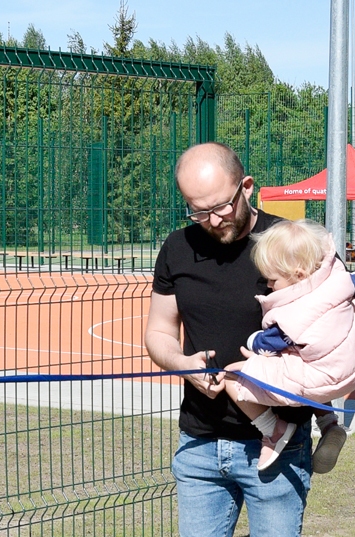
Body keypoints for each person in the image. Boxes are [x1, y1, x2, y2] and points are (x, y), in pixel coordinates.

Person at [144, 142, 314, 536]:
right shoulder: (177, 248)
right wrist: (181, 364)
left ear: (247, 187)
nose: (213, 220)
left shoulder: (290, 244)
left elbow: (336, 326)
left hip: (276, 446)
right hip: (199, 443)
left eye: (221, 206)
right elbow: (158, 332)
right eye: (197, 210)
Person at [224, 218, 355, 472]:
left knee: (233, 374)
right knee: (306, 359)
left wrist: (252, 344)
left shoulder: (294, 314)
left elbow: (267, 343)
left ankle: (273, 430)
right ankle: (329, 422)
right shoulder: (338, 279)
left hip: (327, 376)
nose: (269, 286)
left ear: (298, 275)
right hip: (354, 363)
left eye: (272, 280)